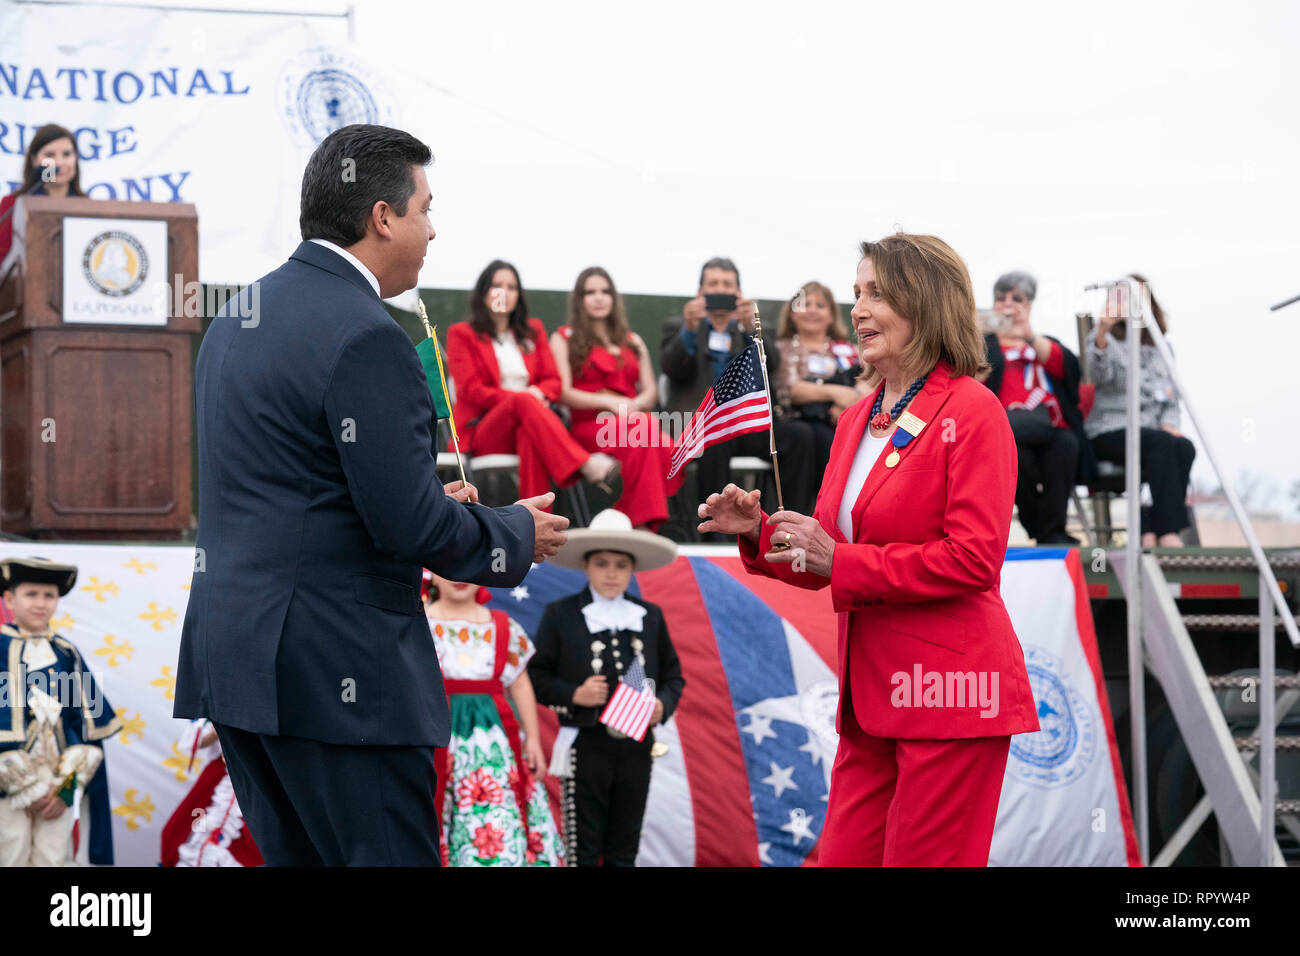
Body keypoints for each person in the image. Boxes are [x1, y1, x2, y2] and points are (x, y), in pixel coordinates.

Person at [174, 124, 570, 867]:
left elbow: (309, 488)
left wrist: (428, 500)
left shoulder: (233, 319)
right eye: (425, 208)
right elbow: (406, 524)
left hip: (238, 660)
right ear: (382, 217)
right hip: (336, 674)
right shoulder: (365, 334)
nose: (432, 230)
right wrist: (511, 531)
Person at [698, 233, 1040, 866]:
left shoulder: (975, 410)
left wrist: (841, 561)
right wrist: (756, 530)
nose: (857, 310)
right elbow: (826, 552)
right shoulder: (856, 419)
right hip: (872, 702)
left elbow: (972, 560)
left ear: (927, 303)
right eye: (855, 293)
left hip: (951, 699)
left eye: (875, 293)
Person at [528, 509, 684, 866]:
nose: (611, 573)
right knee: (583, 844)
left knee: (624, 844)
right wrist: (574, 694)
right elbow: (535, 677)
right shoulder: (562, 615)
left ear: (632, 569)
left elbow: (674, 676)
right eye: (602, 563)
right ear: (586, 566)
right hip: (585, 744)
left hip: (635, 746)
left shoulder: (650, 616)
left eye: (620, 565)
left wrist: (662, 704)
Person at [446, 260, 619, 507]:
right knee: (524, 402)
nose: (504, 293)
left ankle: (536, 523)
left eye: (511, 287)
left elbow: (554, 382)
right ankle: (586, 464)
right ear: (484, 292)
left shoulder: (532, 331)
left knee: (529, 434)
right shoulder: (462, 333)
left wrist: (535, 394)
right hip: (484, 429)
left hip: (531, 421)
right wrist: (524, 398)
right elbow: (471, 391)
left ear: (519, 295)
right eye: (497, 286)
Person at [422, 571, 564, 866]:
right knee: (436, 805)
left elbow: (520, 683)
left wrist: (533, 739)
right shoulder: (418, 622)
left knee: (498, 804)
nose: (458, 575)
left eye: (466, 566)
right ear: (430, 574)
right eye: (446, 566)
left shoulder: (502, 626)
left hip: (493, 746)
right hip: (436, 736)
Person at [660, 257, 816, 519]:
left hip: (746, 423)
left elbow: (772, 365)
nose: (720, 290)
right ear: (700, 293)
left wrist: (748, 328)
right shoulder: (678, 326)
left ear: (739, 293)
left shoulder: (757, 327)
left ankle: (791, 523)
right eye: (713, 284)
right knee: (713, 436)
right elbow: (671, 368)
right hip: (703, 425)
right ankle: (716, 529)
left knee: (800, 435)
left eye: (727, 284)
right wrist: (689, 329)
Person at [0, 558, 121, 867]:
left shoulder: (67, 653)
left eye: (49, 595)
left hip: (57, 779)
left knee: (54, 858)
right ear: (10, 599)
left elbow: (87, 728)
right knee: (8, 853)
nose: (41, 603)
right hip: (7, 780)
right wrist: (25, 788)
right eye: (31, 594)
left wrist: (66, 788)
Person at [551, 266, 684, 530]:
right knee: (648, 431)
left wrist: (632, 405)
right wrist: (609, 403)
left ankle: (629, 522)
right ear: (580, 299)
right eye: (590, 292)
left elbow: (650, 391)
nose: (599, 298)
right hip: (590, 427)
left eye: (605, 291)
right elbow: (563, 392)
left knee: (663, 443)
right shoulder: (563, 337)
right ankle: (641, 526)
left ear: (614, 298)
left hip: (632, 422)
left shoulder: (632, 341)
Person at [980, 271, 1095, 545]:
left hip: (1050, 427)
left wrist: (1027, 335)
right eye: (1001, 298)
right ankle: (1042, 529)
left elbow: (1066, 367)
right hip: (1005, 428)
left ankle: (1052, 531)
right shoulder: (983, 345)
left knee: (1066, 446)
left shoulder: (1042, 341)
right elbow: (971, 379)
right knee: (1015, 457)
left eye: (1016, 298)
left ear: (1029, 305)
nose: (1008, 304)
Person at [1085, 274, 1195, 546]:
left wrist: (1171, 424)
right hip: (1110, 429)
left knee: (1183, 447)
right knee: (1160, 444)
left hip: (1153, 433)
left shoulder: (1162, 348)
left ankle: (1151, 528)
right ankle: (1168, 532)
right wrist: (1102, 330)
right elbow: (1098, 375)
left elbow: (1171, 397)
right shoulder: (1102, 340)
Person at [773, 280, 869, 484]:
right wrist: (837, 393)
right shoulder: (782, 348)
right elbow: (791, 390)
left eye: (820, 305)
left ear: (832, 315)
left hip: (843, 421)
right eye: (805, 304)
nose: (812, 311)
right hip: (798, 425)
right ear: (792, 313)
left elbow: (869, 383)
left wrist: (848, 402)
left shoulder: (848, 350)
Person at [160, 719, 263, 867]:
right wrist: (222, 729)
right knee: (183, 831)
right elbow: (199, 740)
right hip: (220, 781)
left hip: (256, 785)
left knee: (250, 848)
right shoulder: (224, 701)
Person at [0, 124, 85, 266]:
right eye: (50, 155)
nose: (59, 162)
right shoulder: (13, 204)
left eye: (67, 154)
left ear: (76, 159)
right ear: (34, 161)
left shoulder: (88, 207)